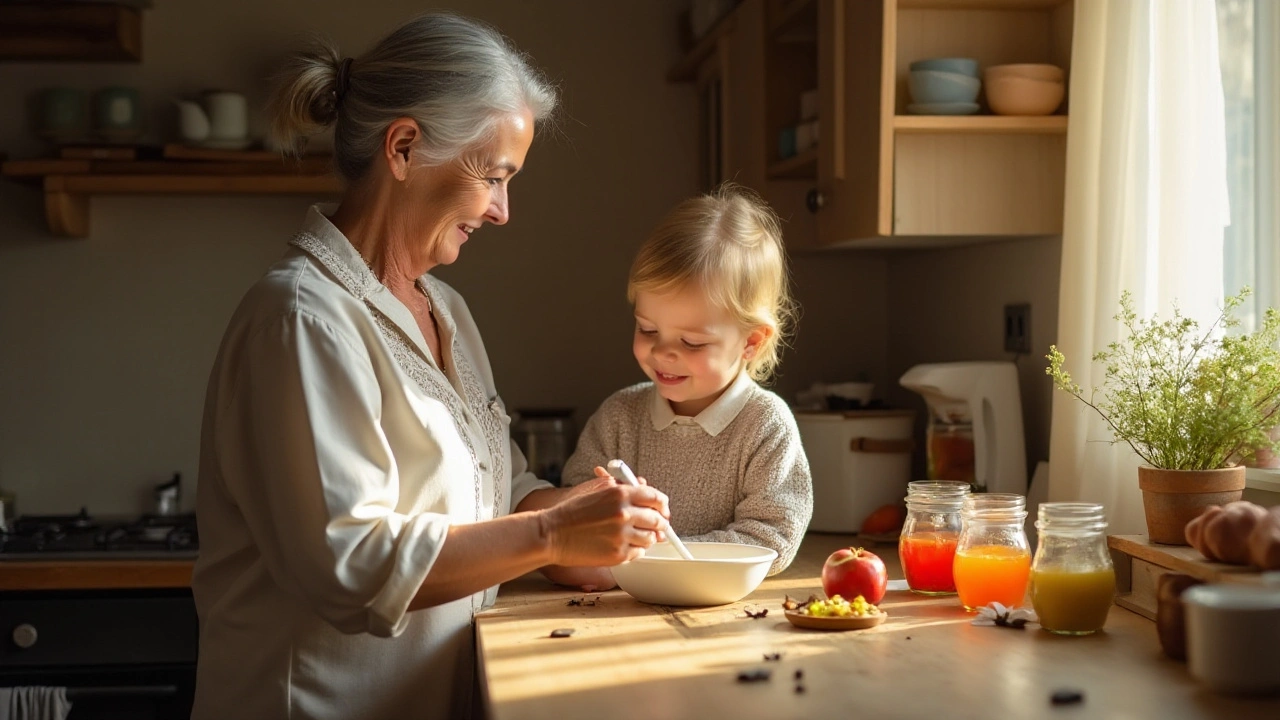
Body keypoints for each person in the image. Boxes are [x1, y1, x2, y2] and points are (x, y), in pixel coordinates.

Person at [191, 13, 672, 720]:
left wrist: (581, 520)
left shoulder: (444, 310)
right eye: (493, 176)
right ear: (405, 147)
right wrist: (551, 536)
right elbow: (351, 567)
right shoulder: (301, 319)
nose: (504, 211)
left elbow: (501, 488)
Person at [549, 185, 813, 591]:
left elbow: (772, 537)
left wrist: (651, 561)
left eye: (691, 342)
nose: (663, 352)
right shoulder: (619, 416)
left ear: (751, 342)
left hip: (721, 618)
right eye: (647, 329)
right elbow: (573, 512)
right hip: (620, 612)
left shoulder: (765, 425)